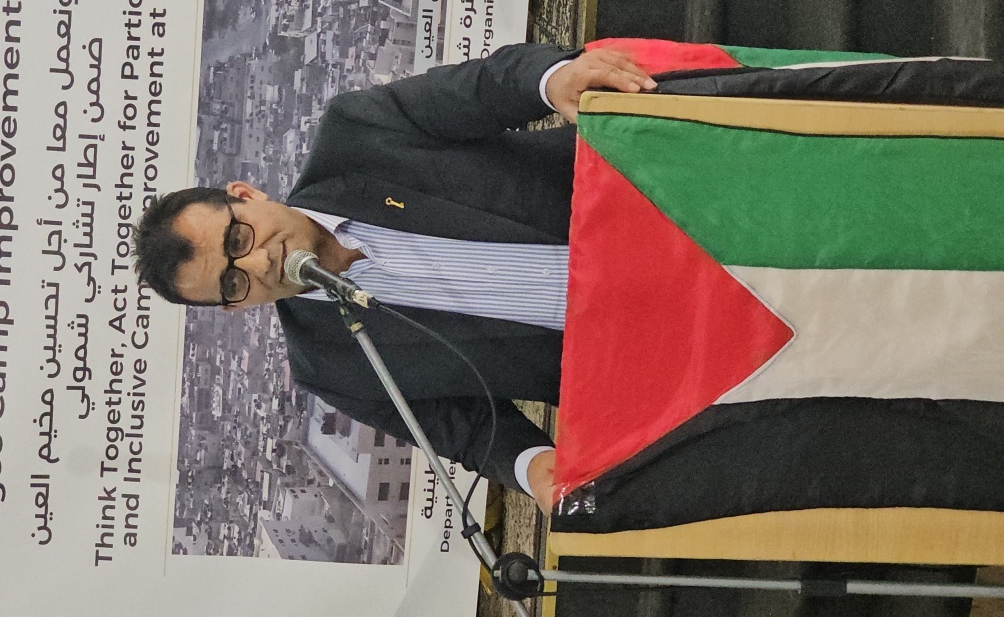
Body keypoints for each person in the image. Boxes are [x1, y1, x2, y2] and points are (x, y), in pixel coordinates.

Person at [133, 43, 656, 513]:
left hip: (643, 197)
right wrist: (534, 469)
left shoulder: (357, 135)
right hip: (641, 356)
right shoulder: (328, 365)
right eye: (232, 283)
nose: (258, 264)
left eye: (237, 240)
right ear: (235, 307)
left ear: (247, 195)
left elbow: (485, 88)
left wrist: (552, 80)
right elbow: (468, 431)